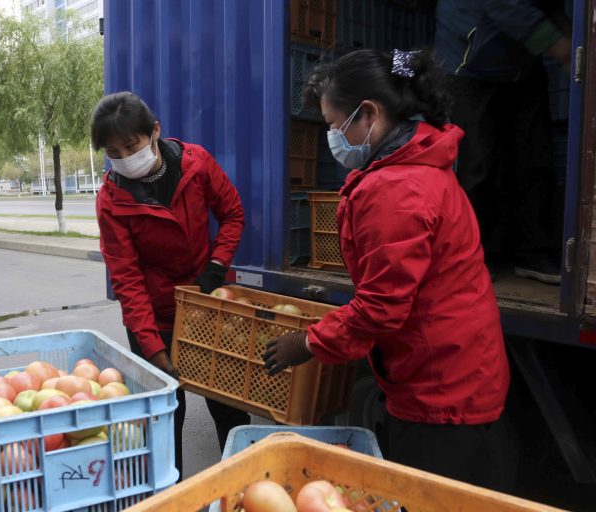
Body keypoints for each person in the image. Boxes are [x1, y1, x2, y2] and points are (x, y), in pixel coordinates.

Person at [264, 49, 515, 491]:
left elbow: (382, 308)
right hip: (457, 365)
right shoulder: (421, 163)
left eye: (331, 124)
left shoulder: (395, 188)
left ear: (368, 114)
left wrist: (307, 342)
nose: (330, 136)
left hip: (440, 389)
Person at [92, 91, 251, 477]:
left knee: (228, 403)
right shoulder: (111, 200)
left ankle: (243, 483)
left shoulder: (196, 164)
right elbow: (128, 281)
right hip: (155, 316)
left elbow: (232, 213)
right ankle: (172, 493)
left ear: (155, 132)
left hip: (207, 302)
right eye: (114, 152)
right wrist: (155, 351)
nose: (126, 158)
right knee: (166, 413)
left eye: (132, 145)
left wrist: (215, 267)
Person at [434, 0, 572, 284]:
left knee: (535, 157)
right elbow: (503, 3)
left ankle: (534, 254)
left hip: (523, 64)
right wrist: (564, 50)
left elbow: (554, 7)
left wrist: (576, 46)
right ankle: (470, 256)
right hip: (468, 61)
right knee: (477, 163)